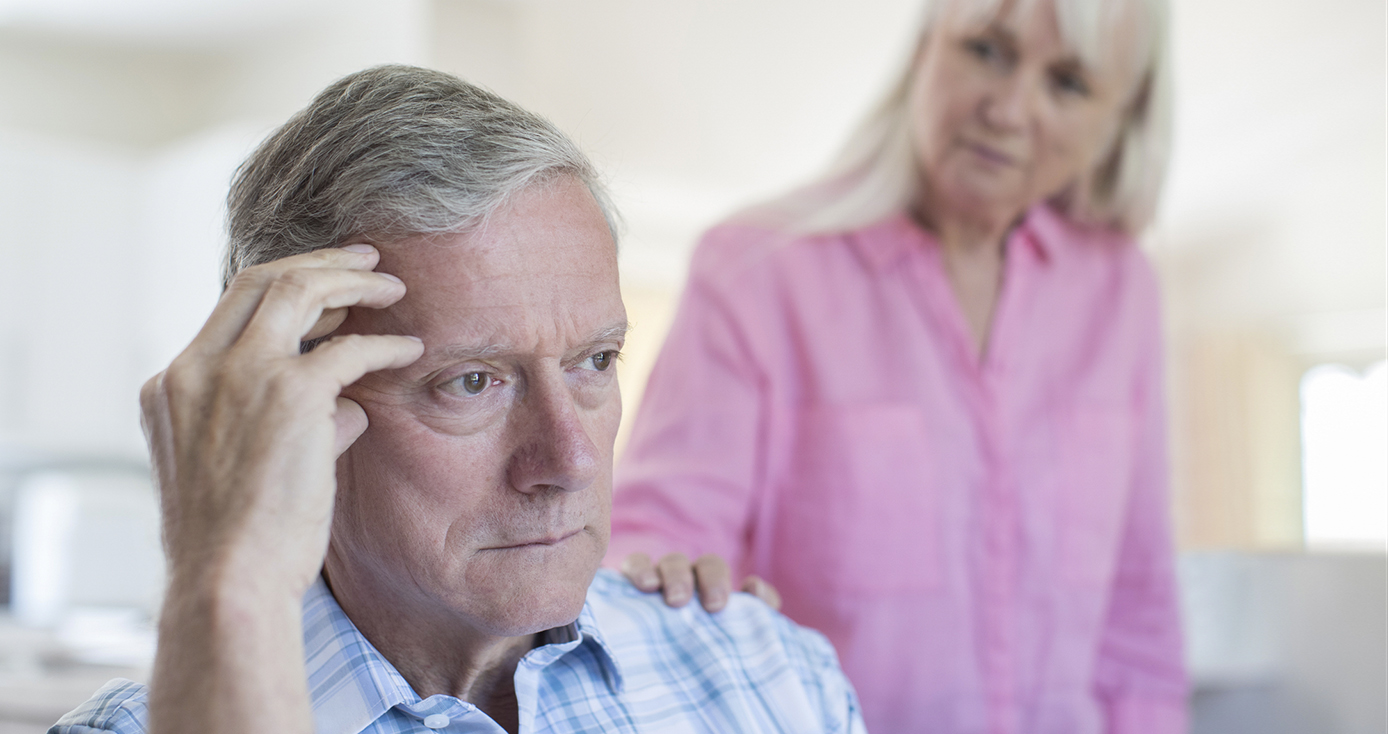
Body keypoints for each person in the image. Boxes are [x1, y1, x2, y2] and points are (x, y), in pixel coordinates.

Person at [51, 65, 864, 734]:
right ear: (292, 412)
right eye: (471, 382)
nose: (568, 460)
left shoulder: (771, 677)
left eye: (595, 361)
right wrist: (226, 578)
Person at [607, 0, 1188, 731]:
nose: (1007, 111)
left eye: (1068, 83)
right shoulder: (753, 269)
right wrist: (661, 574)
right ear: (927, 46)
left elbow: (1140, 620)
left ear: (1118, 119)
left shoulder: (1121, 289)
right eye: (987, 49)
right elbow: (657, 547)